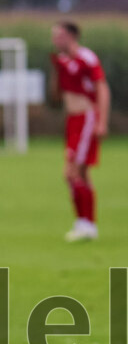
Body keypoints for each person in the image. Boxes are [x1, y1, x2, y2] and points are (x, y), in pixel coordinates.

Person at [50, 21, 110, 242]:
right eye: (53, 36)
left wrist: (101, 121)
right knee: (80, 174)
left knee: (71, 173)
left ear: (71, 36)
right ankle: (85, 224)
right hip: (72, 120)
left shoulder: (86, 57)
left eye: (59, 36)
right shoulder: (63, 61)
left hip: (86, 118)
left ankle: (86, 225)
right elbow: (57, 97)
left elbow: (102, 88)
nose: (55, 40)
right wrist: (56, 71)